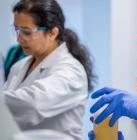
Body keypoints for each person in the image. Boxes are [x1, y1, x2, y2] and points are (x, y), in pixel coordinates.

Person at [1, 0, 95, 140]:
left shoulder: (71, 71)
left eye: (26, 32)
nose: (19, 39)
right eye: (17, 29)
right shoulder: (19, 66)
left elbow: (32, 105)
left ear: (52, 33)